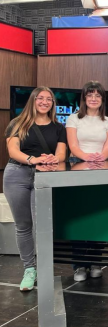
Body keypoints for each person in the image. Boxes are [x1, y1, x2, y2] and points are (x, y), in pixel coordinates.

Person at [3, 87, 67, 291]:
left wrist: (52, 159)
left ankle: (45, 268)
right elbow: (12, 150)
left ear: (53, 104)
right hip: (17, 174)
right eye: (40, 98)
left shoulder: (58, 127)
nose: (45, 102)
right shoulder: (17, 123)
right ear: (33, 100)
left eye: (49, 99)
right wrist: (33, 159)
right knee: (23, 225)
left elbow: (62, 153)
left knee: (43, 226)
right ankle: (29, 269)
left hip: (45, 176)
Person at [66, 81, 108, 282]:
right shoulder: (73, 119)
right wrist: (87, 158)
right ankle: (79, 266)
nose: (94, 98)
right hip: (77, 169)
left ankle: (95, 262)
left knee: (98, 218)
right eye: (90, 95)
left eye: (98, 95)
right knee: (79, 217)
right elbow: (73, 145)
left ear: (102, 99)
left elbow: (107, 148)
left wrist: (98, 159)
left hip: (101, 171)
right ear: (84, 98)